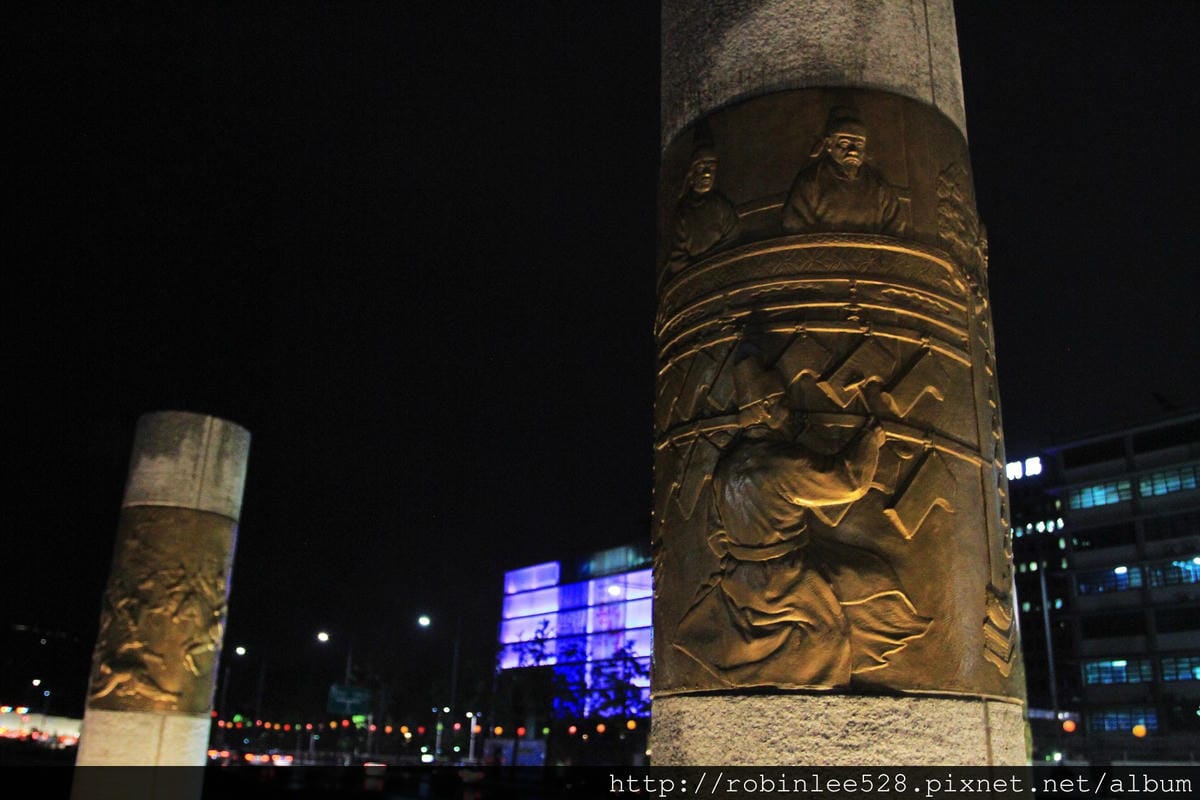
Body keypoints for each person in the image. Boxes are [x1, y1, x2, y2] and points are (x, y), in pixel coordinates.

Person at [674, 351, 930, 688]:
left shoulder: (726, 468)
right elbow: (847, 483)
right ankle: (820, 680)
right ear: (765, 411)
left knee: (861, 574)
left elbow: (715, 534)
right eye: (781, 404)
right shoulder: (781, 462)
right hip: (788, 577)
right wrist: (871, 440)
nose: (787, 412)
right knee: (834, 625)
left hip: (739, 578)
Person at [781, 108, 905, 236]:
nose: (853, 151)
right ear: (829, 144)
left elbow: (896, 228)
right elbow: (794, 225)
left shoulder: (879, 186)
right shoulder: (811, 181)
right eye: (844, 143)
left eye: (859, 145)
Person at [665, 142, 740, 273]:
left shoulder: (721, 205)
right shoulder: (683, 213)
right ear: (691, 174)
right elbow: (677, 261)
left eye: (711, 168)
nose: (707, 174)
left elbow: (734, 239)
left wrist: (714, 261)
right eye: (701, 167)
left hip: (722, 269)